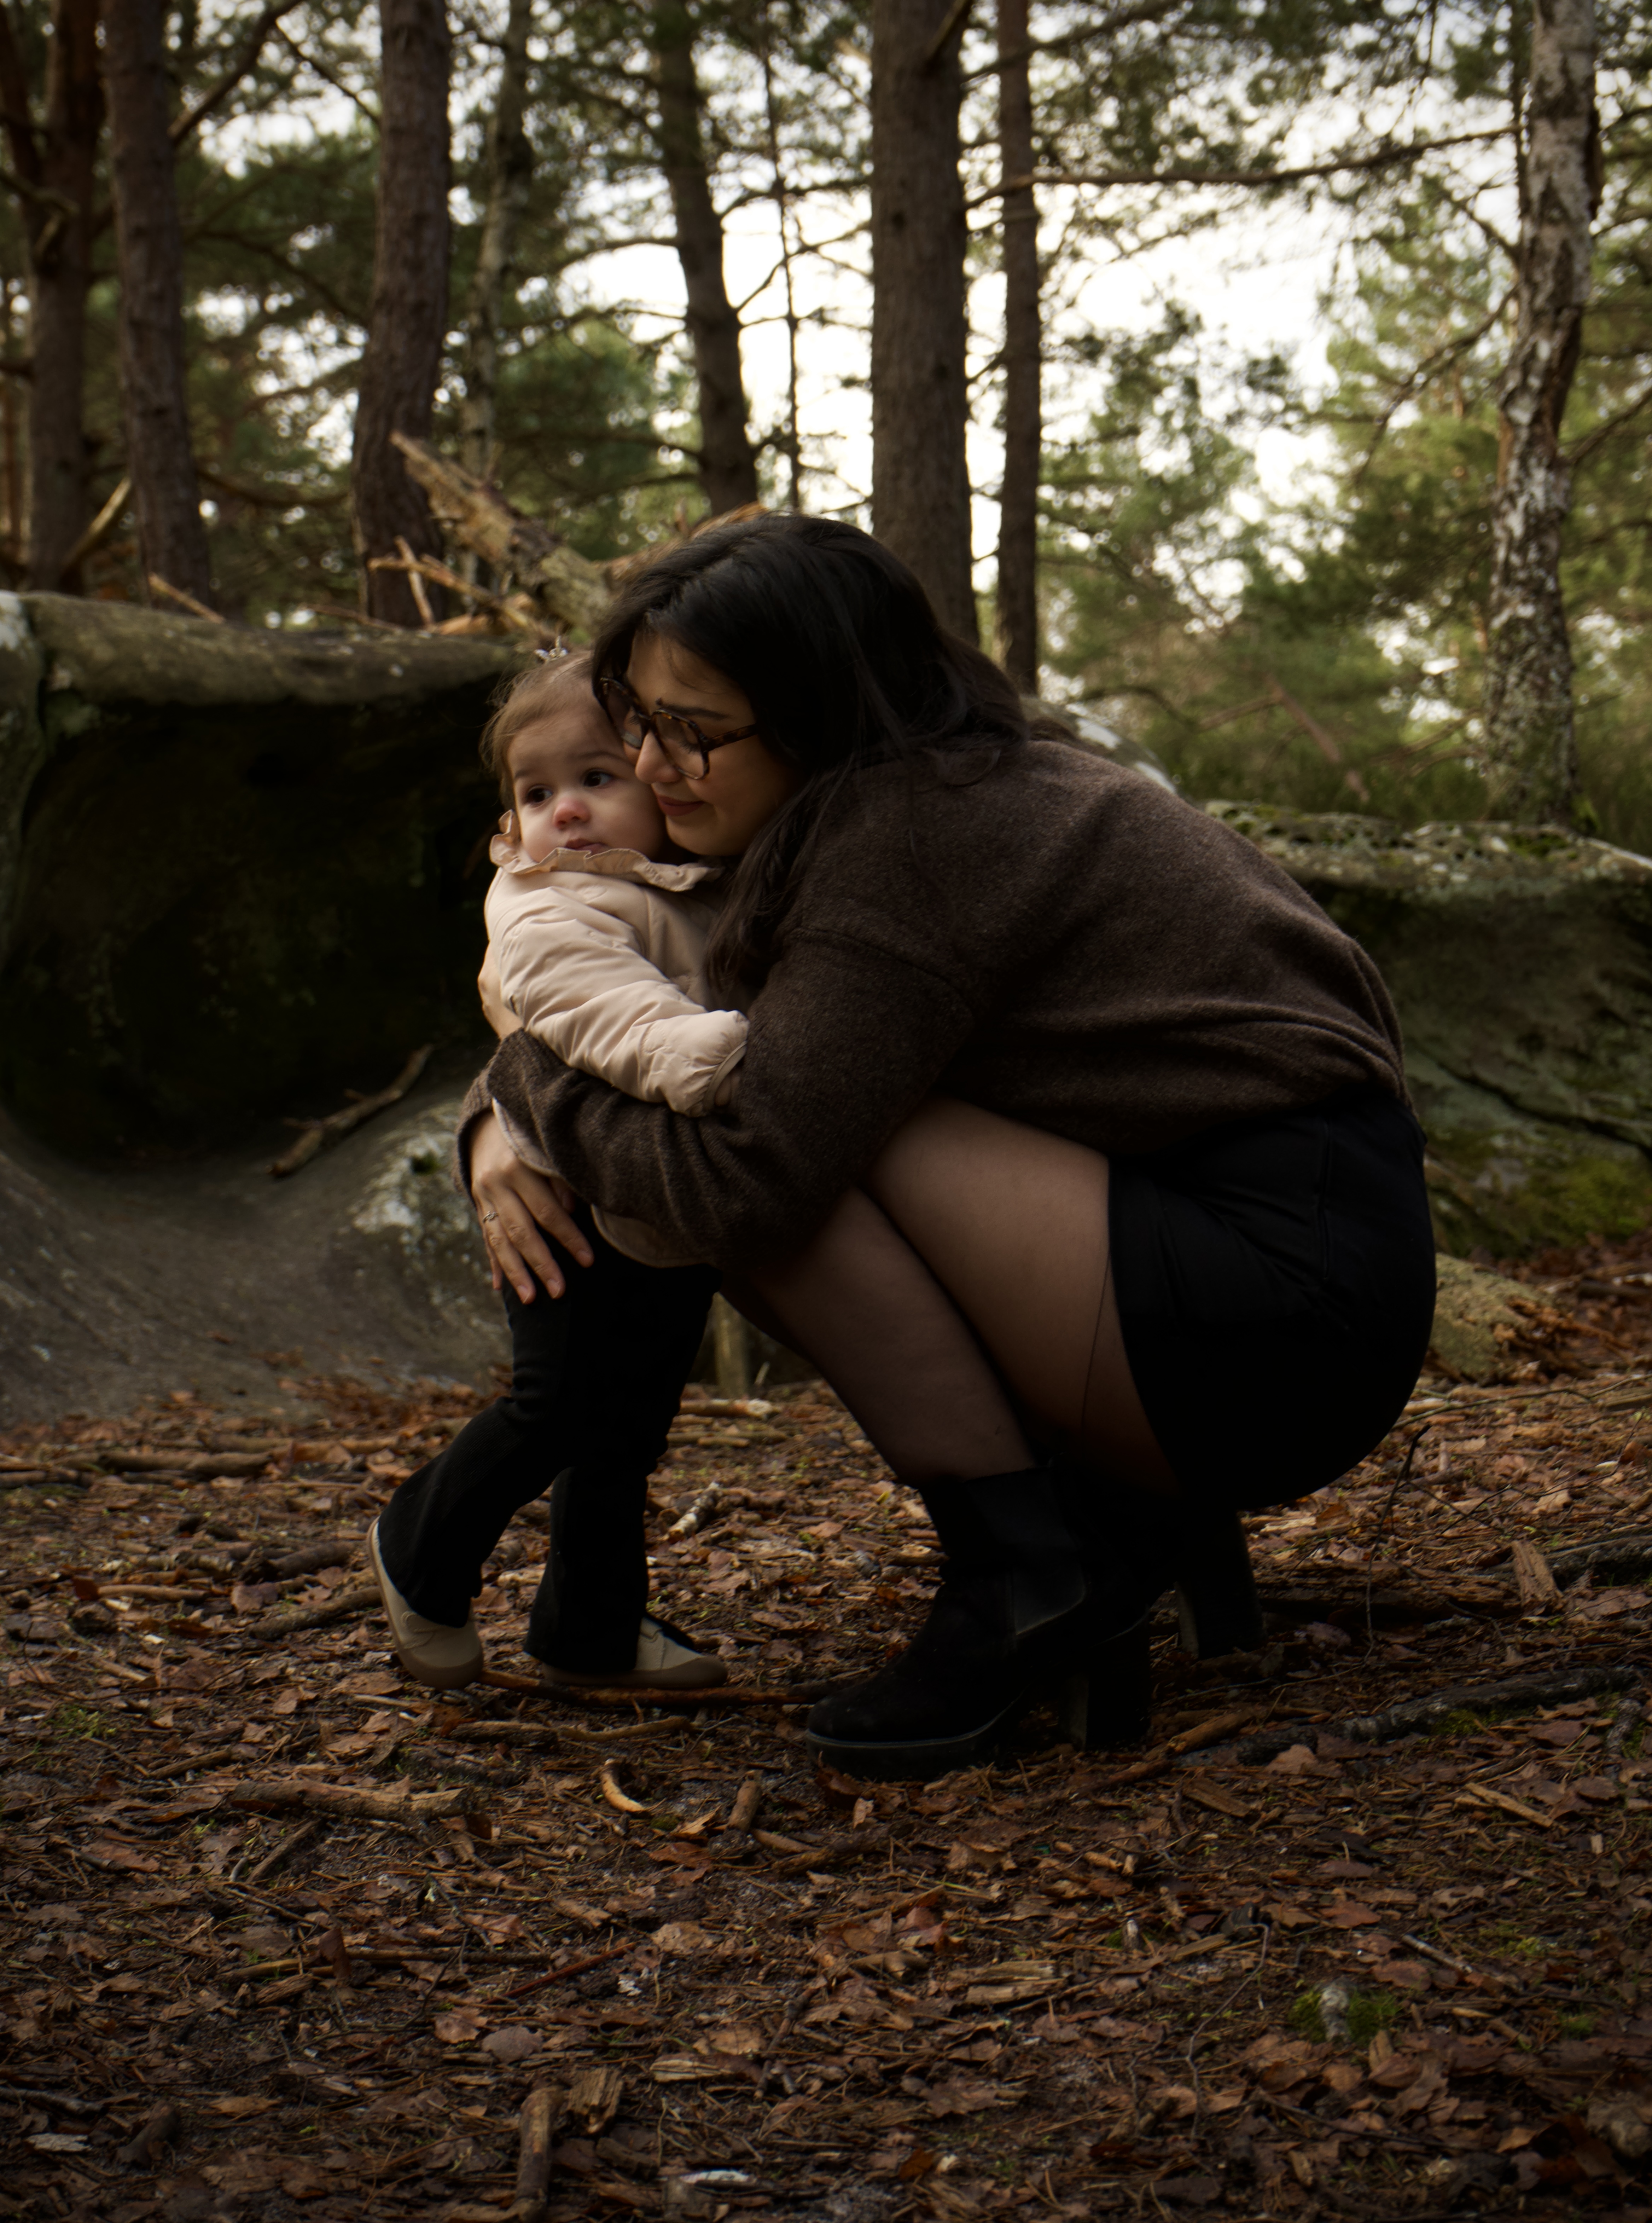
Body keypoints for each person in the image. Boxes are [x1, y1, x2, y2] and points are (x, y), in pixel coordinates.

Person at [461, 515, 1438, 1777]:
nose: (656, 764)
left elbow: (745, 1180)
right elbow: (649, 993)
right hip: (1268, 1245)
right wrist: (501, 1110)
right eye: (639, 723)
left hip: (1281, 1318)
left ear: (818, 708)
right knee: (775, 1096)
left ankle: (1029, 1569)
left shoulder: (913, 840)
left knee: (760, 1147)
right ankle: (1114, 1531)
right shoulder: (950, 782)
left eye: (695, 728)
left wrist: (532, 1085)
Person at [366, 649, 743, 1694]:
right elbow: (592, 1007)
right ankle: (419, 1543)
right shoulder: (545, 906)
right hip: (565, 1198)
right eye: (537, 794)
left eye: (595, 779)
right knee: (561, 1403)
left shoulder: (685, 884)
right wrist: (702, 1053)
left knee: (629, 1429)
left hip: (659, 1207)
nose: (565, 813)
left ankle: (592, 1626)